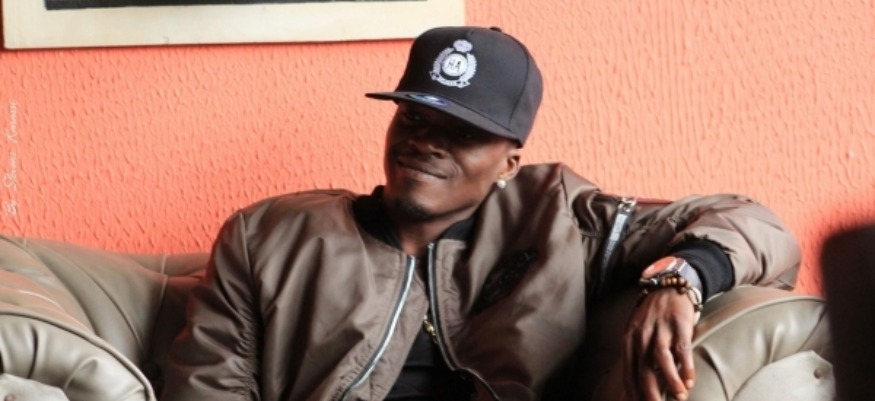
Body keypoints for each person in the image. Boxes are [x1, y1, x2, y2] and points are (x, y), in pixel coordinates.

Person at [160, 26, 800, 401]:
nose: (425, 143)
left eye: (463, 133)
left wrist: (681, 279)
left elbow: (755, 224)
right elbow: (208, 386)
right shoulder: (271, 236)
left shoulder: (558, 221)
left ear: (510, 162)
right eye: (414, 117)